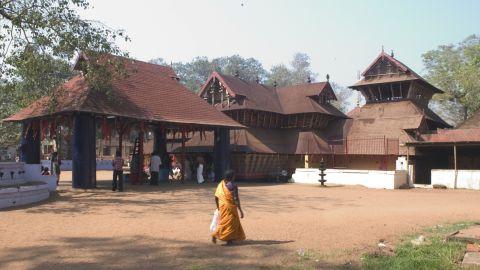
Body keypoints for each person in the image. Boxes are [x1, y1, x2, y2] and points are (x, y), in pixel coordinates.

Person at [211, 170, 245, 245]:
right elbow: (236, 199)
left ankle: (216, 234)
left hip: (222, 206)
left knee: (223, 222)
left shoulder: (221, 185)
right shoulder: (233, 186)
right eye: (234, 176)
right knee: (231, 223)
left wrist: (218, 207)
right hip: (230, 207)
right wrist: (240, 210)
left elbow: (216, 197)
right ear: (232, 177)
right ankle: (228, 240)